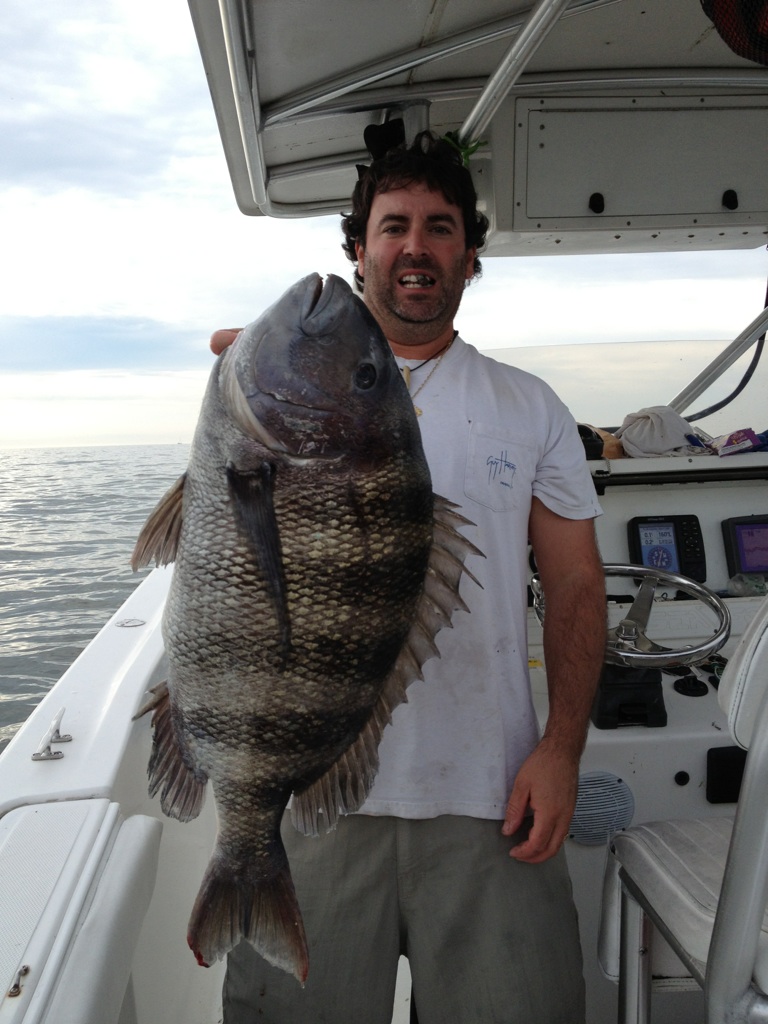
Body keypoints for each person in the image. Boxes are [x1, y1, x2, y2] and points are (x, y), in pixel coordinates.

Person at [212, 131, 606, 1024]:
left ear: (471, 254)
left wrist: (563, 750)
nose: (416, 247)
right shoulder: (272, 392)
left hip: (490, 795)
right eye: (394, 227)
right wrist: (239, 395)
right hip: (311, 796)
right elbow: (226, 557)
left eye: (440, 227)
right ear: (359, 250)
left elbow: (578, 589)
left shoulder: (530, 406)